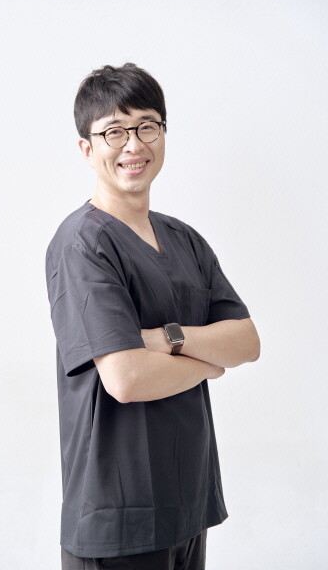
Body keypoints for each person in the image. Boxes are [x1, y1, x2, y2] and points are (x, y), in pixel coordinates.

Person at [45, 63, 260, 570]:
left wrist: (168, 339)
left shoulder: (185, 239)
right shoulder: (83, 244)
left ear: (163, 133)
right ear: (86, 148)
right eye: (114, 131)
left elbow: (247, 341)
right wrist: (209, 363)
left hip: (188, 505)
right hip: (119, 520)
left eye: (147, 126)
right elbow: (125, 379)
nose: (134, 145)